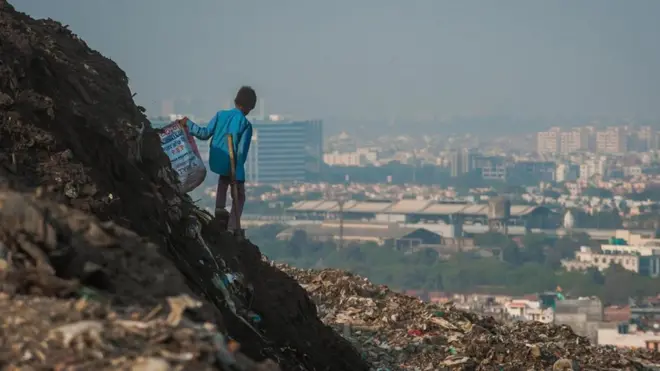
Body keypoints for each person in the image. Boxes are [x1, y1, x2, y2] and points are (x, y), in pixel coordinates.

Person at [186, 86, 256, 232]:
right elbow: (241, 153)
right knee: (240, 196)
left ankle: (219, 208)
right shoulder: (246, 125)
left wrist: (187, 124)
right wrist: (237, 175)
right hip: (232, 164)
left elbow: (204, 134)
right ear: (249, 107)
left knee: (223, 180)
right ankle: (232, 225)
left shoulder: (220, 115)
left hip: (218, 161)